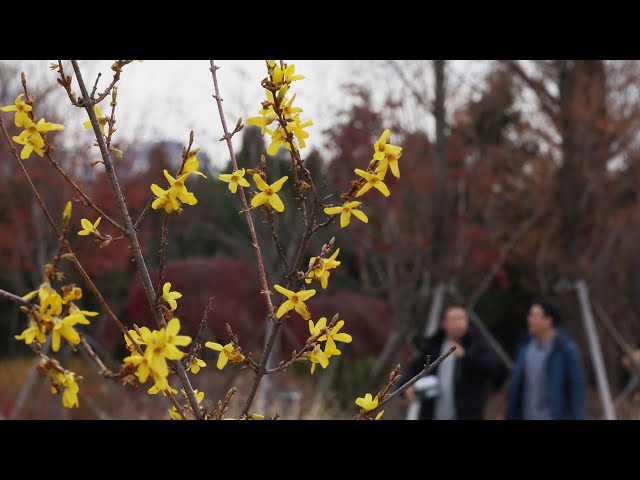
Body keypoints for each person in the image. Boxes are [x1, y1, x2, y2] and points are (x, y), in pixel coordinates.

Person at [402, 304, 502, 420]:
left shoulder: (476, 343)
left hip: (467, 414)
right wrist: (407, 387)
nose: (458, 323)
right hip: (434, 412)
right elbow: (416, 367)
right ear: (443, 323)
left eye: (461, 318)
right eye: (454, 319)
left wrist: (466, 356)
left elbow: (493, 368)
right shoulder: (434, 345)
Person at [505, 298, 586, 420]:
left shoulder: (565, 350)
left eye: (535, 316)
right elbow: (517, 388)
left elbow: (576, 390)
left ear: (548, 320)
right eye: (529, 315)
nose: (530, 319)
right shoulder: (525, 348)